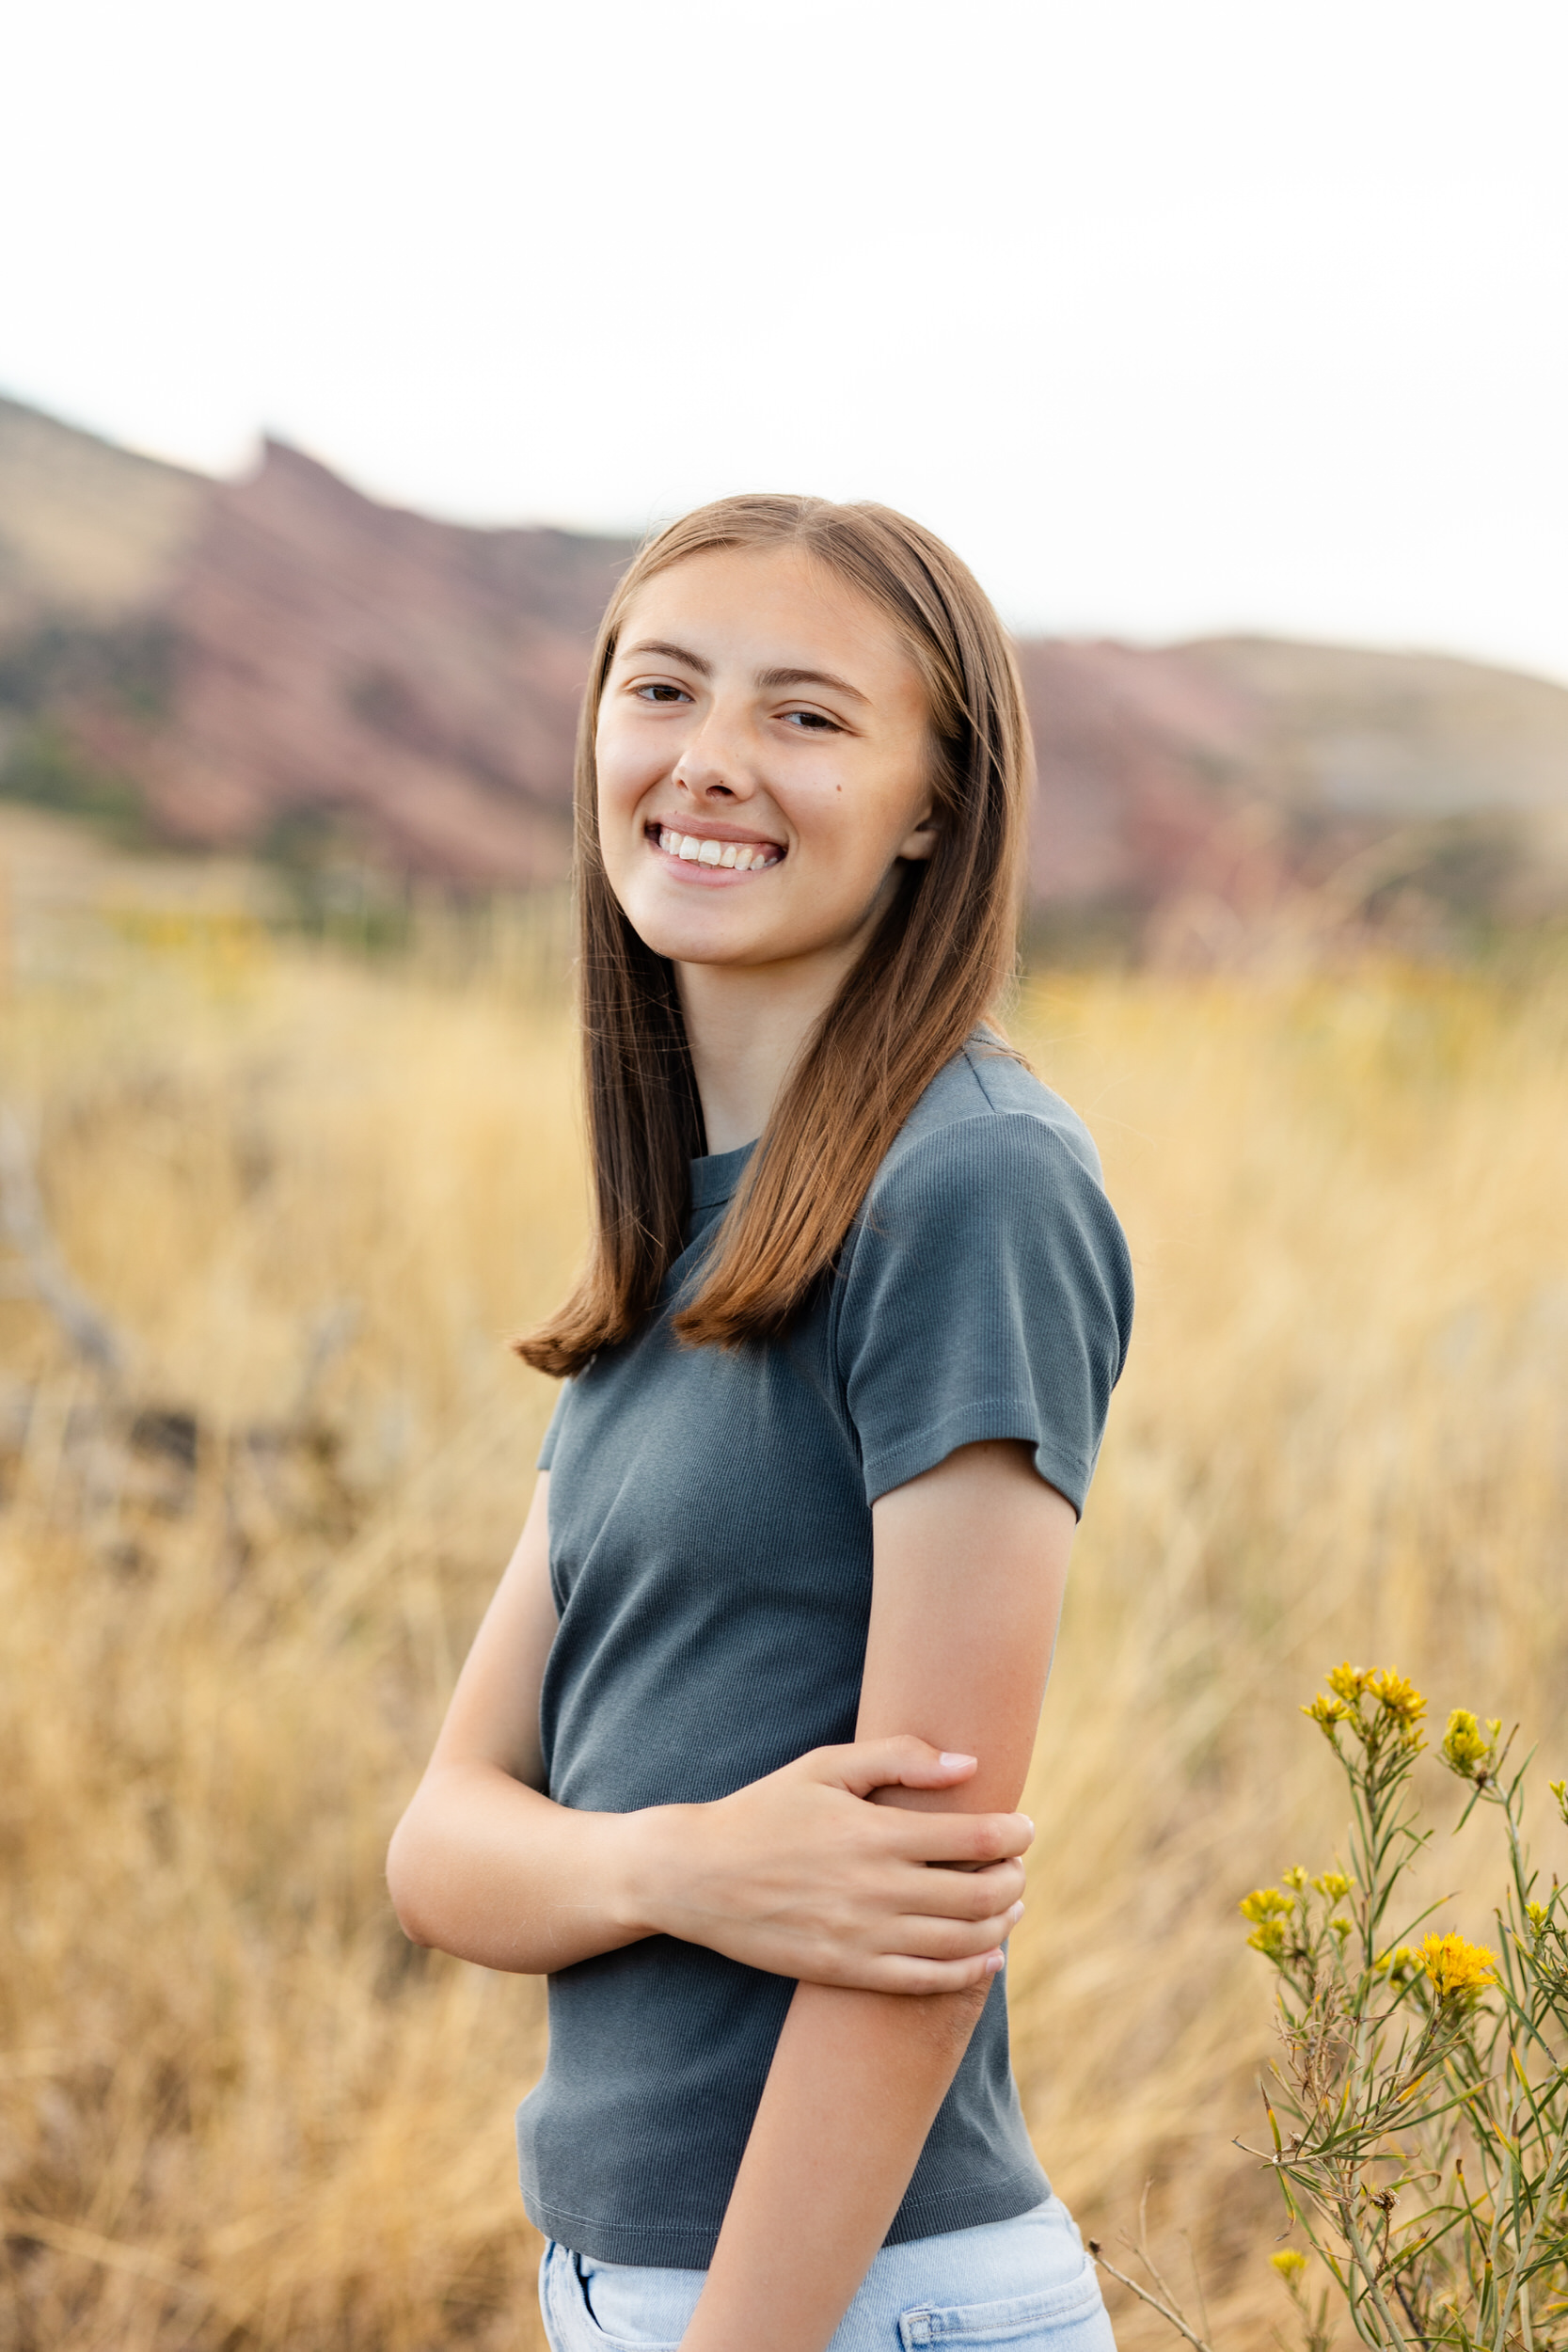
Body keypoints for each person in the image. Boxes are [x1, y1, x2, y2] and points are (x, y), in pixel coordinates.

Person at [387, 496, 1133, 2352]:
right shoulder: (683, 1237)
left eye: (807, 715)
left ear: (933, 804)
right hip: (632, 2283)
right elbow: (442, 1843)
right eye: (665, 689)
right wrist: (681, 1862)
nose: (711, 762)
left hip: (850, 2303)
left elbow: (913, 1929)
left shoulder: (972, 1184)